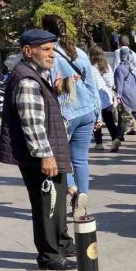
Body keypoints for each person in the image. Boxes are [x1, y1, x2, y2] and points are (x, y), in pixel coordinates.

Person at [0, 29, 76, 271]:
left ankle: (61, 243)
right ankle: (50, 256)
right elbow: (31, 123)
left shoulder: (35, 75)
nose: (52, 54)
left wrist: (56, 90)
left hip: (50, 150)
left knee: (56, 201)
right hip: (41, 155)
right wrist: (46, 155)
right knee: (47, 205)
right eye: (46, 49)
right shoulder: (27, 79)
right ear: (28, 51)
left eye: (53, 49)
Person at [42, 15, 101, 212]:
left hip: (65, 114)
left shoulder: (48, 56)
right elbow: (92, 85)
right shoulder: (79, 52)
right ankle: (81, 204)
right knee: (80, 160)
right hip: (87, 110)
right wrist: (98, 114)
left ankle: (73, 192)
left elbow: (49, 87)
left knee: (60, 159)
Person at [89, 45, 123, 153]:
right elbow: (111, 83)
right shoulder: (106, 66)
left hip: (95, 98)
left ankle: (99, 143)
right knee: (109, 121)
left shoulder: (90, 67)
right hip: (106, 97)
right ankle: (114, 139)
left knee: (97, 121)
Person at [114, 44, 136, 143]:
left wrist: (118, 96)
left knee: (123, 115)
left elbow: (120, 83)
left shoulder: (120, 68)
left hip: (126, 94)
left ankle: (120, 135)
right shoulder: (135, 67)